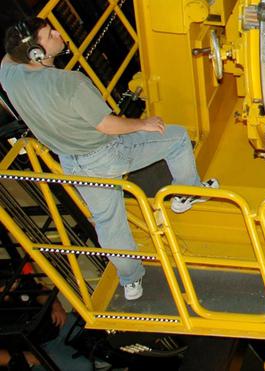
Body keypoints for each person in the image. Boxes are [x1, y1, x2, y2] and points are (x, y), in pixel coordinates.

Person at [0, 19, 217, 302]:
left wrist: (24, 37)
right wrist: (143, 124)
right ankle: (188, 194)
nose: (58, 32)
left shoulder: (9, 74)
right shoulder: (70, 83)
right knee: (176, 138)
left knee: (107, 222)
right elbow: (107, 125)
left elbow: (10, 54)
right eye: (50, 34)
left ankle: (131, 280)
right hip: (106, 154)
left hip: (72, 163)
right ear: (37, 54)